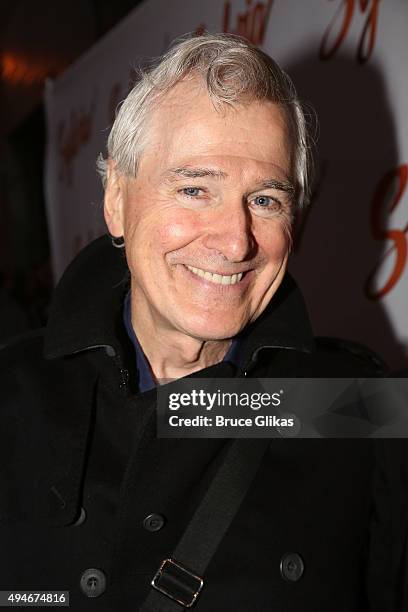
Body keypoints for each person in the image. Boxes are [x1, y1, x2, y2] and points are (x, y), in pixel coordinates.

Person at [0, 33, 393, 611]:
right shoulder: (11, 393)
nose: (236, 242)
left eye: (266, 200)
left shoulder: (361, 408)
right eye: (193, 189)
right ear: (116, 202)